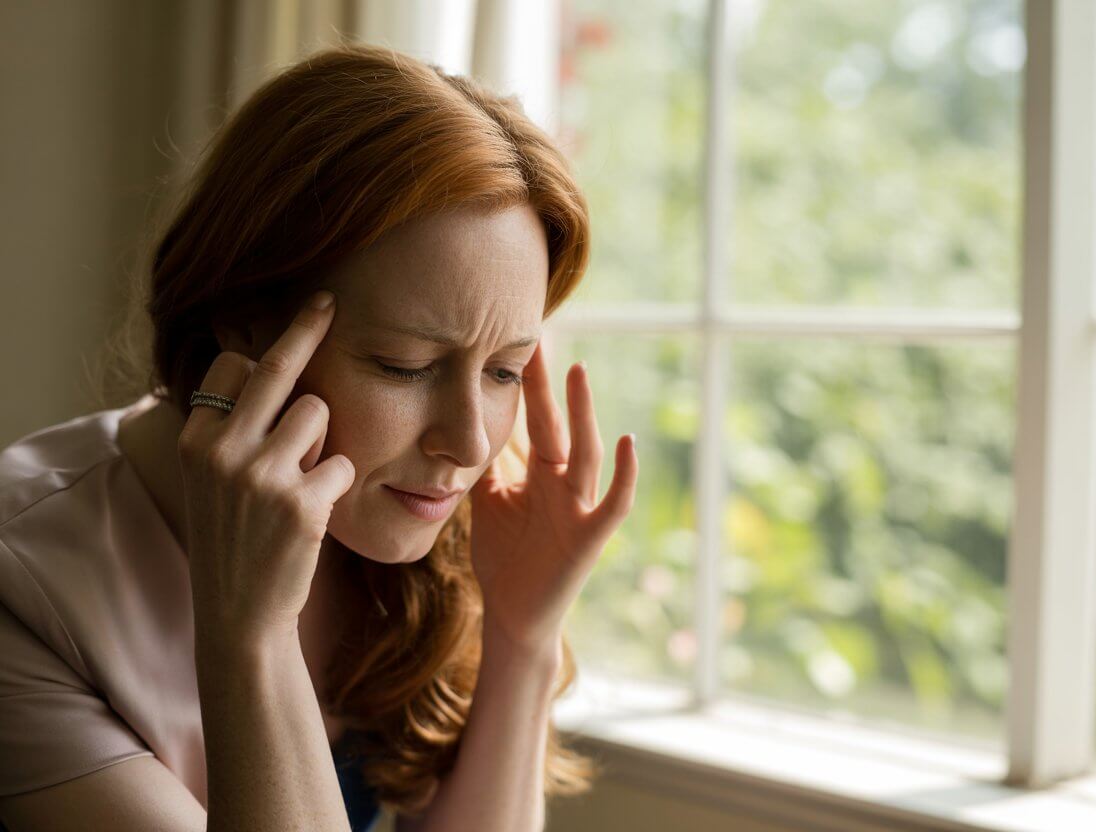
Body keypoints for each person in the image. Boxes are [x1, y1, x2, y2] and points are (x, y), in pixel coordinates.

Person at [0, 42, 638, 832]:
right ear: (242, 321)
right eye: (404, 366)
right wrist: (254, 636)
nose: (470, 444)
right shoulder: (24, 588)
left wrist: (522, 631)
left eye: (504, 371)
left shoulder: (408, 520)